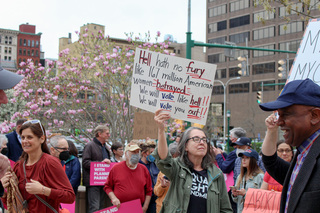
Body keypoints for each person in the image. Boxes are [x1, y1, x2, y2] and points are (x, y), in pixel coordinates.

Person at [153, 109, 232, 213]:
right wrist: (161, 130)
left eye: (204, 140)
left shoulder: (216, 174)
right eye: (196, 139)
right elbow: (163, 159)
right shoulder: (177, 167)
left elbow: (225, 209)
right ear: (185, 146)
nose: (201, 142)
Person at [260, 78, 320, 213]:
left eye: (285, 114)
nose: (279, 122)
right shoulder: (302, 155)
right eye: (278, 115)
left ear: (315, 115)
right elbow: (270, 162)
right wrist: (271, 131)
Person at [0, 119, 75, 212]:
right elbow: (12, 204)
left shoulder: (50, 163)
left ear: (42, 139)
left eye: (29, 137)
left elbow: (70, 196)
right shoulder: (18, 165)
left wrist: (43, 190)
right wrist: (3, 191)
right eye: (23, 137)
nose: (25, 141)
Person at [104, 141, 152, 213]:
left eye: (137, 152)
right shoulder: (116, 168)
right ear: (126, 154)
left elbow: (149, 190)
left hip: (138, 208)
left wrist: (145, 207)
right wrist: (113, 198)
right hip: (120, 208)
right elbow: (107, 186)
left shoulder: (143, 169)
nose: (135, 155)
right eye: (133, 152)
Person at [82, 125, 112, 213]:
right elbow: (85, 162)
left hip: (103, 182)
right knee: (94, 207)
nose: (109, 135)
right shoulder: (89, 146)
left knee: (101, 207)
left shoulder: (105, 147)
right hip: (93, 183)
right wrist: (100, 164)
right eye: (107, 133)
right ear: (99, 134)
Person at [231, 149, 264, 213]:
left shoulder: (260, 177)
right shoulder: (240, 177)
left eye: (247, 158)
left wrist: (246, 194)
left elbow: (263, 198)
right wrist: (235, 195)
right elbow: (237, 200)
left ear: (253, 160)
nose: (243, 160)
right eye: (242, 157)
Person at [154, 142, 179, 213]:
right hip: (162, 208)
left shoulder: (185, 171)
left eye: (176, 157)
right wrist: (162, 186)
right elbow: (156, 192)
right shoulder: (162, 172)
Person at [139, 139, 159, 213]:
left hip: (154, 198)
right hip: (142, 199)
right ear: (144, 154)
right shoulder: (137, 165)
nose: (153, 155)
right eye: (151, 152)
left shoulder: (155, 164)